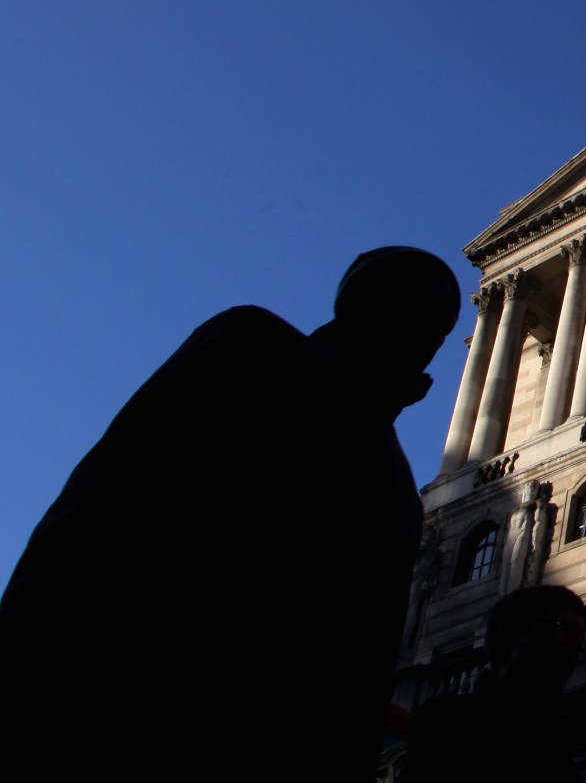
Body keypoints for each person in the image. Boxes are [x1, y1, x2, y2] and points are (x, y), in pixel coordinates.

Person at [0, 246, 461, 780]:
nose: (428, 336)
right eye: (421, 313)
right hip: (106, 700)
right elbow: (99, 511)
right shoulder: (253, 350)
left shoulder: (397, 489)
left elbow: (359, 664)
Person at [404, 585, 586, 782]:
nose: (577, 645)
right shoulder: (444, 723)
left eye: (582, 633)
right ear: (509, 628)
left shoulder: (555, 747)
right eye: (563, 625)